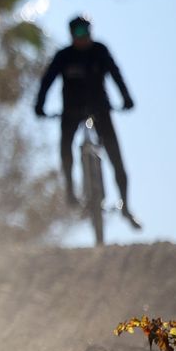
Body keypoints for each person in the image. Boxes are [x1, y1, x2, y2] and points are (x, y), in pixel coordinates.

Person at [33, 14, 139, 227]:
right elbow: (47, 81)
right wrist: (39, 106)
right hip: (71, 111)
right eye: (77, 33)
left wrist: (126, 98)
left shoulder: (100, 51)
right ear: (71, 35)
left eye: (86, 31)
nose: (82, 37)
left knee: (116, 157)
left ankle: (125, 206)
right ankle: (71, 192)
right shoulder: (64, 56)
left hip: (101, 110)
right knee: (65, 148)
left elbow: (116, 74)